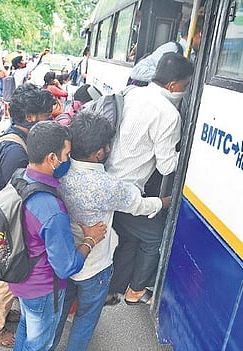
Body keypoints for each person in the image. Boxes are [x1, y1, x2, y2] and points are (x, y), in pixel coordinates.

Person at [51, 112, 168, 351]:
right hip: (94, 267)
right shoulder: (107, 185)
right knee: (85, 319)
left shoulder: (59, 170)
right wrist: (165, 202)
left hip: (64, 261)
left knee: (58, 316)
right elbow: (140, 205)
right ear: (100, 153)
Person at [9, 120, 107, 351]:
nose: (69, 160)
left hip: (19, 276)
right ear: (52, 158)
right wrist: (90, 239)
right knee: (39, 344)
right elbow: (66, 267)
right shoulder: (51, 209)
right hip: (42, 288)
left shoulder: (20, 177)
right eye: (67, 154)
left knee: (27, 326)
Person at [106, 52, 194, 305]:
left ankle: (114, 289)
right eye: (186, 86)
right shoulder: (168, 114)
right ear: (172, 85)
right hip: (126, 192)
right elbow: (167, 166)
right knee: (154, 236)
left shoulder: (132, 93)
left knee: (131, 238)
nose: (184, 91)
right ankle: (135, 290)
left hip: (107, 179)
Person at [0, 83, 56, 348]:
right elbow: (15, 195)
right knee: (5, 278)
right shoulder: (16, 150)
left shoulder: (17, 137)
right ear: (30, 117)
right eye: (47, 115)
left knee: (8, 277)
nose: (49, 119)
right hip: (9, 224)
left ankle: (6, 312)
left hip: (7, 219)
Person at [129, 17, 203, 85]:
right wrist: (165, 78)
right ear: (199, 34)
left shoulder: (195, 55)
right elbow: (137, 70)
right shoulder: (173, 48)